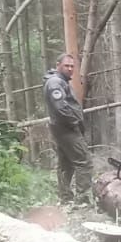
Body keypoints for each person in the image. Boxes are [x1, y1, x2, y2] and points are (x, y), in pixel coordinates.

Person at [43, 52, 91, 203]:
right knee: (84, 161)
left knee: (66, 163)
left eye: (72, 66)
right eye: (66, 66)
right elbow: (61, 108)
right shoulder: (55, 83)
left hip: (62, 129)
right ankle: (82, 199)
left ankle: (65, 197)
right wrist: (75, 122)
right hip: (66, 129)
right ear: (58, 65)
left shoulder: (60, 81)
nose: (70, 69)